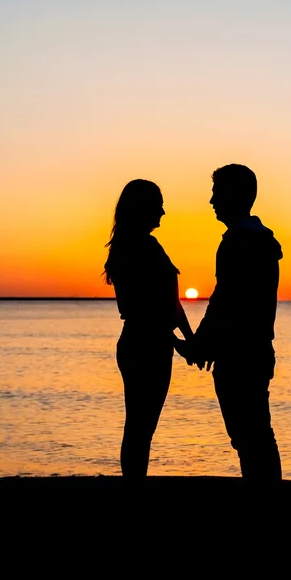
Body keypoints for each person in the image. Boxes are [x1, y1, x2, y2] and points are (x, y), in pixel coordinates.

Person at [182, 164, 283, 492]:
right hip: (255, 350)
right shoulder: (260, 241)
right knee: (256, 434)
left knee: (249, 436)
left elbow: (228, 302)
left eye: (217, 193)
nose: (211, 200)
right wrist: (206, 343)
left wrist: (203, 344)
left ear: (235, 196)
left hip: (241, 355)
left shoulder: (239, 242)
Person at [103, 179, 193, 482]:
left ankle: (135, 484)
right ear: (143, 208)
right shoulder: (132, 249)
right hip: (143, 344)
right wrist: (179, 342)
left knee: (143, 426)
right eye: (159, 204)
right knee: (140, 427)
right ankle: (133, 487)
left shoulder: (147, 245)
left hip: (152, 343)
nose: (164, 211)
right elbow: (142, 308)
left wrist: (189, 338)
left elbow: (170, 302)